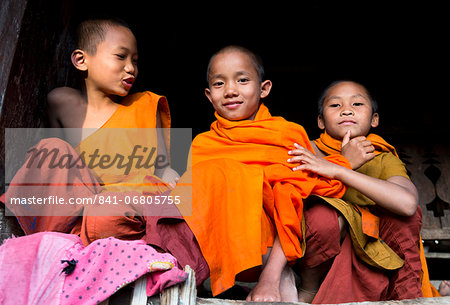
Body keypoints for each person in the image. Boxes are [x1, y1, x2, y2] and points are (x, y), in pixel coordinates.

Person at [2, 17, 210, 285]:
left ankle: (96, 254)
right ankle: (56, 246)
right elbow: (60, 167)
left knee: (105, 211)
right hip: (80, 206)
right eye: (120, 57)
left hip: (125, 208)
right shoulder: (62, 102)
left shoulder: (145, 105)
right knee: (50, 150)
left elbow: (161, 166)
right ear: (81, 61)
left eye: (135, 60)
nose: (131, 68)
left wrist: (171, 177)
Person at [176, 45, 352, 302]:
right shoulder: (203, 144)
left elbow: (292, 199)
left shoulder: (286, 135)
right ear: (208, 95)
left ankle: (277, 277)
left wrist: (271, 276)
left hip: (275, 250)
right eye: (219, 83)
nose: (231, 91)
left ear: (264, 88)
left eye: (243, 80)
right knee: (201, 180)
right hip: (223, 250)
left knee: (289, 193)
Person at [287, 80, 440, 302]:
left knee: (405, 217)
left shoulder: (382, 157)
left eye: (357, 104)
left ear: (374, 119)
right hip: (317, 259)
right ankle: (310, 289)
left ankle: (405, 295)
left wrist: (339, 170)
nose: (347, 110)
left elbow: (407, 204)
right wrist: (343, 162)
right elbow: (291, 199)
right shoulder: (306, 150)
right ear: (320, 121)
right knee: (324, 216)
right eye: (335, 105)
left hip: (374, 255)